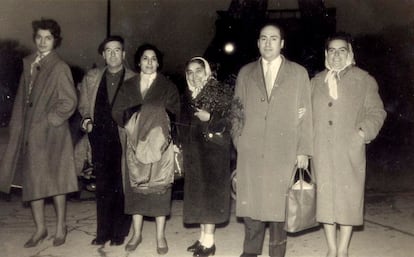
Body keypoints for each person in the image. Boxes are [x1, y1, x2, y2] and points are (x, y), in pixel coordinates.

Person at [232, 23, 313, 257]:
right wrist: (240, 141)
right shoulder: (245, 72)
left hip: (283, 150)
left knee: (280, 207)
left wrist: (303, 151)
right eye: (263, 38)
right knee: (252, 206)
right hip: (252, 150)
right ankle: (250, 251)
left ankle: (277, 253)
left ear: (282, 43)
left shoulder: (298, 73)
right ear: (258, 43)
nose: (268, 43)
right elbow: (236, 112)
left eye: (274, 39)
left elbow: (306, 115)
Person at [0, 18, 78, 247]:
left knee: (56, 183)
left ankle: (60, 227)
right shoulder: (29, 63)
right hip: (30, 136)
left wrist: (49, 120)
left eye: (48, 38)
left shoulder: (60, 67)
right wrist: (18, 127)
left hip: (52, 135)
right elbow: (22, 101)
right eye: (39, 37)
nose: (43, 42)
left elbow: (69, 101)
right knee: (32, 183)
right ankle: (40, 229)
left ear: (56, 41)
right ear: (34, 39)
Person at [311, 33, 386, 257]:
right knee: (325, 200)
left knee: (348, 199)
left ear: (350, 54)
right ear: (326, 54)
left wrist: (362, 133)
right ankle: (331, 249)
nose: (336, 55)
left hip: (349, 150)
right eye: (332, 51)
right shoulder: (316, 81)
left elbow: (377, 112)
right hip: (321, 150)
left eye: (342, 50)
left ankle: (343, 249)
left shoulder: (364, 80)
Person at [111, 43, 180, 255]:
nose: (149, 62)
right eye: (145, 58)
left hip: (160, 145)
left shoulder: (168, 86)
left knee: (160, 189)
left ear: (158, 63)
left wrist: (171, 140)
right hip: (134, 144)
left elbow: (175, 113)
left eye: (153, 59)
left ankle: (160, 236)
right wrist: (142, 114)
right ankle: (136, 233)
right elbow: (117, 111)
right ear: (139, 62)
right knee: (135, 189)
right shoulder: (128, 85)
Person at [77, 35, 133, 246]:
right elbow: (84, 105)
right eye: (108, 50)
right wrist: (87, 119)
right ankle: (103, 232)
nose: (112, 54)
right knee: (102, 185)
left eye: (117, 50)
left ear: (123, 54)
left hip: (124, 137)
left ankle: (119, 232)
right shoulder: (92, 77)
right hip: (99, 136)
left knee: (121, 183)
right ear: (103, 55)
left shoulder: (133, 78)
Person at [181, 57, 233, 257]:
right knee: (199, 195)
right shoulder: (190, 94)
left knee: (210, 196)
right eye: (190, 72)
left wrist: (210, 118)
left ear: (207, 71)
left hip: (214, 153)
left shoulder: (219, 92)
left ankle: (210, 243)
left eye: (198, 71)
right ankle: (203, 238)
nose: (194, 76)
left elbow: (232, 121)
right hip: (195, 152)